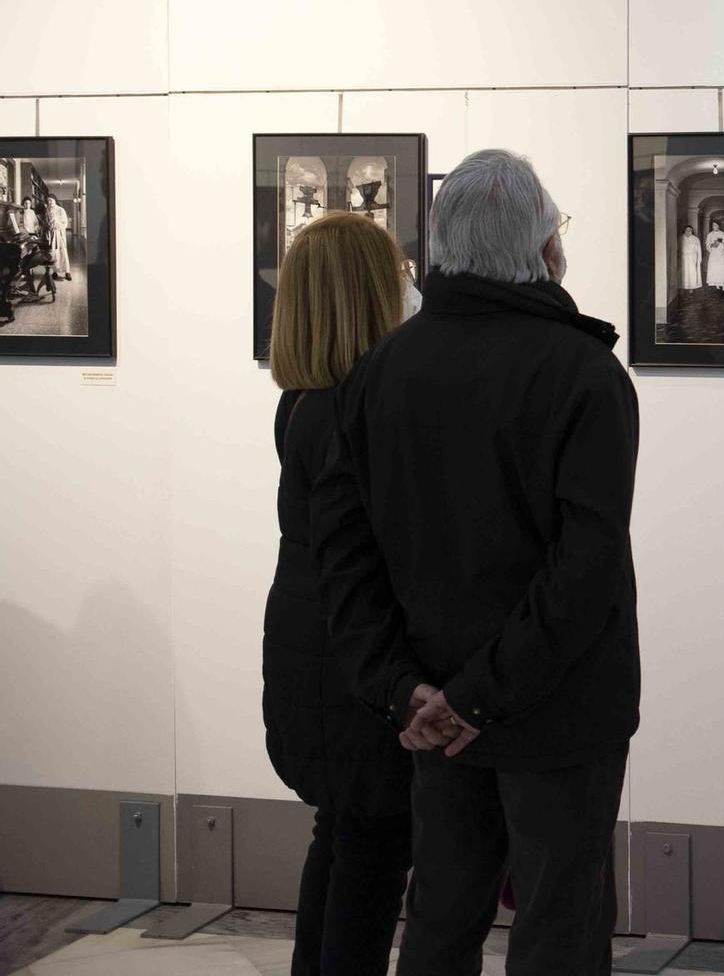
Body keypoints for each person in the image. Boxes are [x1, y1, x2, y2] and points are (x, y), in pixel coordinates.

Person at [315, 149, 640, 974]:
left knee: (440, 922)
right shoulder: (583, 375)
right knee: (559, 928)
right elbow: (584, 570)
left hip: (434, 712)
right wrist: (477, 697)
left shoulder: (381, 371)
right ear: (542, 249)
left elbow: (344, 555)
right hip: (554, 713)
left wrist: (407, 690)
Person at [263, 212, 414, 976]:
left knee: (343, 834)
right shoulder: (356, 412)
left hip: (308, 652)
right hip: (352, 663)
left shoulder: (303, 403)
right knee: (371, 850)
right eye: (398, 274)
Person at [704, 222, 724, 289]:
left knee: (721, 268)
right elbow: (707, 245)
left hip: (721, 253)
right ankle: (717, 284)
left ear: (718, 226)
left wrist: (720, 243)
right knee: (715, 268)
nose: (714, 227)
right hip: (713, 253)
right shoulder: (710, 234)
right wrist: (712, 245)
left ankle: (723, 285)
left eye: (715, 225)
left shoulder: (723, 234)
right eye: (713, 225)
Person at [678, 225, 703, 291]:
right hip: (683, 258)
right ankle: (682, 286)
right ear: (684, 230)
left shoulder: (695, 239)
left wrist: (699, 259)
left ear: (692, 231)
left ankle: (691, 287)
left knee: (692, 272)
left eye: (690, 230)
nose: (688, 231)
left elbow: (699, 250)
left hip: (693, 258)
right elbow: (676, 248)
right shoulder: (680, 238)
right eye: (687, 230)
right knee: (683, 272)